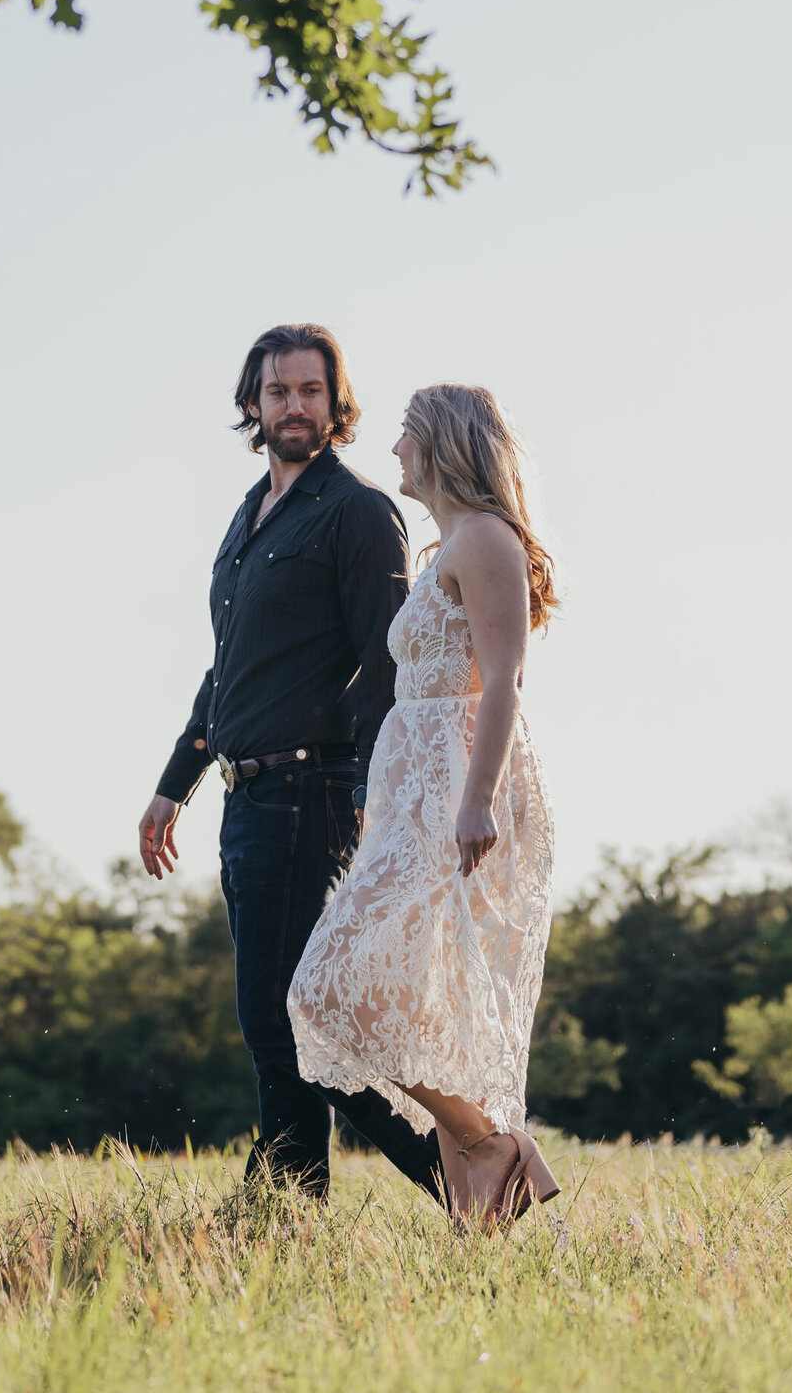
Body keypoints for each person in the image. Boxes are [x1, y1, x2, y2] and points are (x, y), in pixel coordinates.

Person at [140, 325, 447, 1208]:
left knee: (290, 1021)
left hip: (312, 795)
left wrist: (361, 794)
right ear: (253, 405)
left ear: (335, 402)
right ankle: (304, 1204)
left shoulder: (355, 511)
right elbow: (226, 669)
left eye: (312, 392)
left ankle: (450, 1179)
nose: (295, 407)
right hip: (247, 796)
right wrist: (174, 784)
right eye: (279, 392)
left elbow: (386, 666)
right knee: (284, 1022)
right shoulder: (250, 515)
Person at [287, 382, 560, 1228]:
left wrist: (474, 802)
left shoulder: (484, 540)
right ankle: (477, 1225)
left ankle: (491, 1146)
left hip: (459, 793)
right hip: (417, 796)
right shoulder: (451, 540)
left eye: (405, 435)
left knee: (323, 985)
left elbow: (503, 681)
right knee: (423, 996)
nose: (393, 449)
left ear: (441, 444)